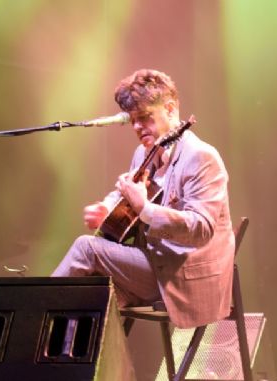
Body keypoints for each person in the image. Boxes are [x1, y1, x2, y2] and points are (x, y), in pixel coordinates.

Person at [52, 69, 234, 329]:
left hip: (183, 276)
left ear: (170, 109)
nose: (137, 127)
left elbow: (201, 228)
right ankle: (59, 359)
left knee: (86, 248)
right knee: (87, 294)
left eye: (145, 117)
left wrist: (145, 210)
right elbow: (128, 189)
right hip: (151, 265)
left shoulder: (202, 157)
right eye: (133, 120)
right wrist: (107, 207)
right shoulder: (144, 152)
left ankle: (29, 320)